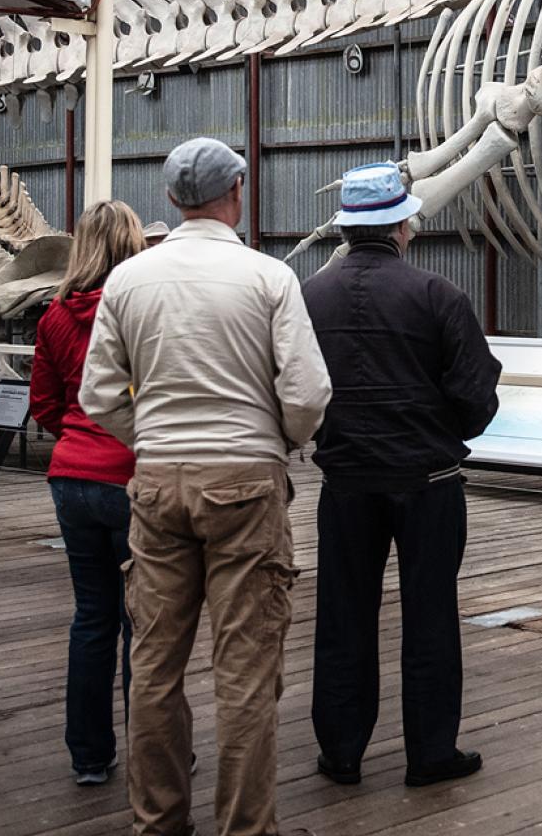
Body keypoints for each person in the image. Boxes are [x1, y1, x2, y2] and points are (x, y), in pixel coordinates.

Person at [81, 136, 332, 836]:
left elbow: (98, 395)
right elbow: (308, 391)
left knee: (155, 665)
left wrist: (151, 442)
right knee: (246, 669)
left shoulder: (128, 281)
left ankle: (158, 821)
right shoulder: (267, 278)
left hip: (157, 483)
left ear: (170, 199)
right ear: (239, 191)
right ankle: (245, 827)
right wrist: (279, 440)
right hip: (247, 484)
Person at [300, 164, 500, 790]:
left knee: (342, 615)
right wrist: (440, 435)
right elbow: (477, 394)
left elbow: (293, 386)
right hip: (429, 481)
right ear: (401, 223)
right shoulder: (441, 296)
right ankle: (431, 751)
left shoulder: (309, 297)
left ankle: (341, 752)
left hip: (346, 483)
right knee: (431, 614)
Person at [32, 201, 166, 786]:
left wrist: (80, 439)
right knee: (147, 624)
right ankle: (154, 754)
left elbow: (44, 405)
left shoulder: (54, 316)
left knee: (92, 618)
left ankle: (88, 756)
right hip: (131, 479)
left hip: (72, 479)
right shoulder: (143, 309)